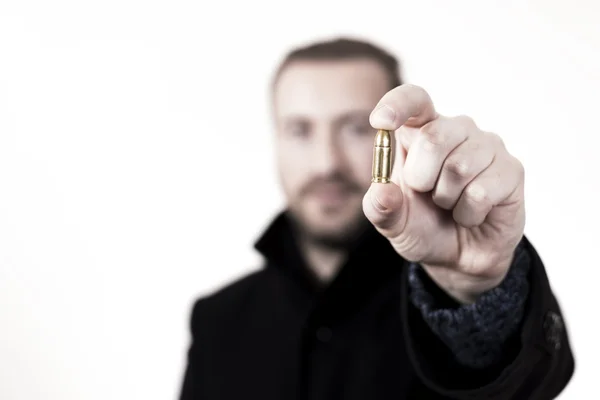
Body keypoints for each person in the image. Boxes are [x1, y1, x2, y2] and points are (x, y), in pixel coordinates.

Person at [179, 37, 575, 399]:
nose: (326, 163)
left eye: (355, 128)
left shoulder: (443, 295)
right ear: (276, 139)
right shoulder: (217, 321)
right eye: (300, 130)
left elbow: (529, 384)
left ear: (402, 135)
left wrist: (476, 291)